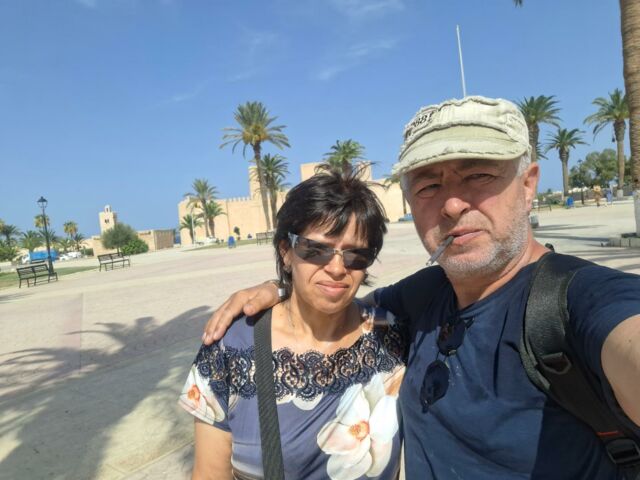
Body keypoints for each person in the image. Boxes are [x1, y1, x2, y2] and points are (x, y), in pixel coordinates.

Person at [202, 96, 640, 479]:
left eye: (479, 175)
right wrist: (282, 288)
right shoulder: (424, 296)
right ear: (411, 201)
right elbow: (334, 300)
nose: (452, 204)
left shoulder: (581, 300)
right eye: (430, 185)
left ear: (528, 186)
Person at [179, 169, 407, 480]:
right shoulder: (230, 348)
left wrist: (278, 288)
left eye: (356, 255)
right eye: (316, 250)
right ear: (286, 252)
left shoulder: (393, 335)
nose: (337, 268)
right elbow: (209, 474)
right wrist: (278, 288)